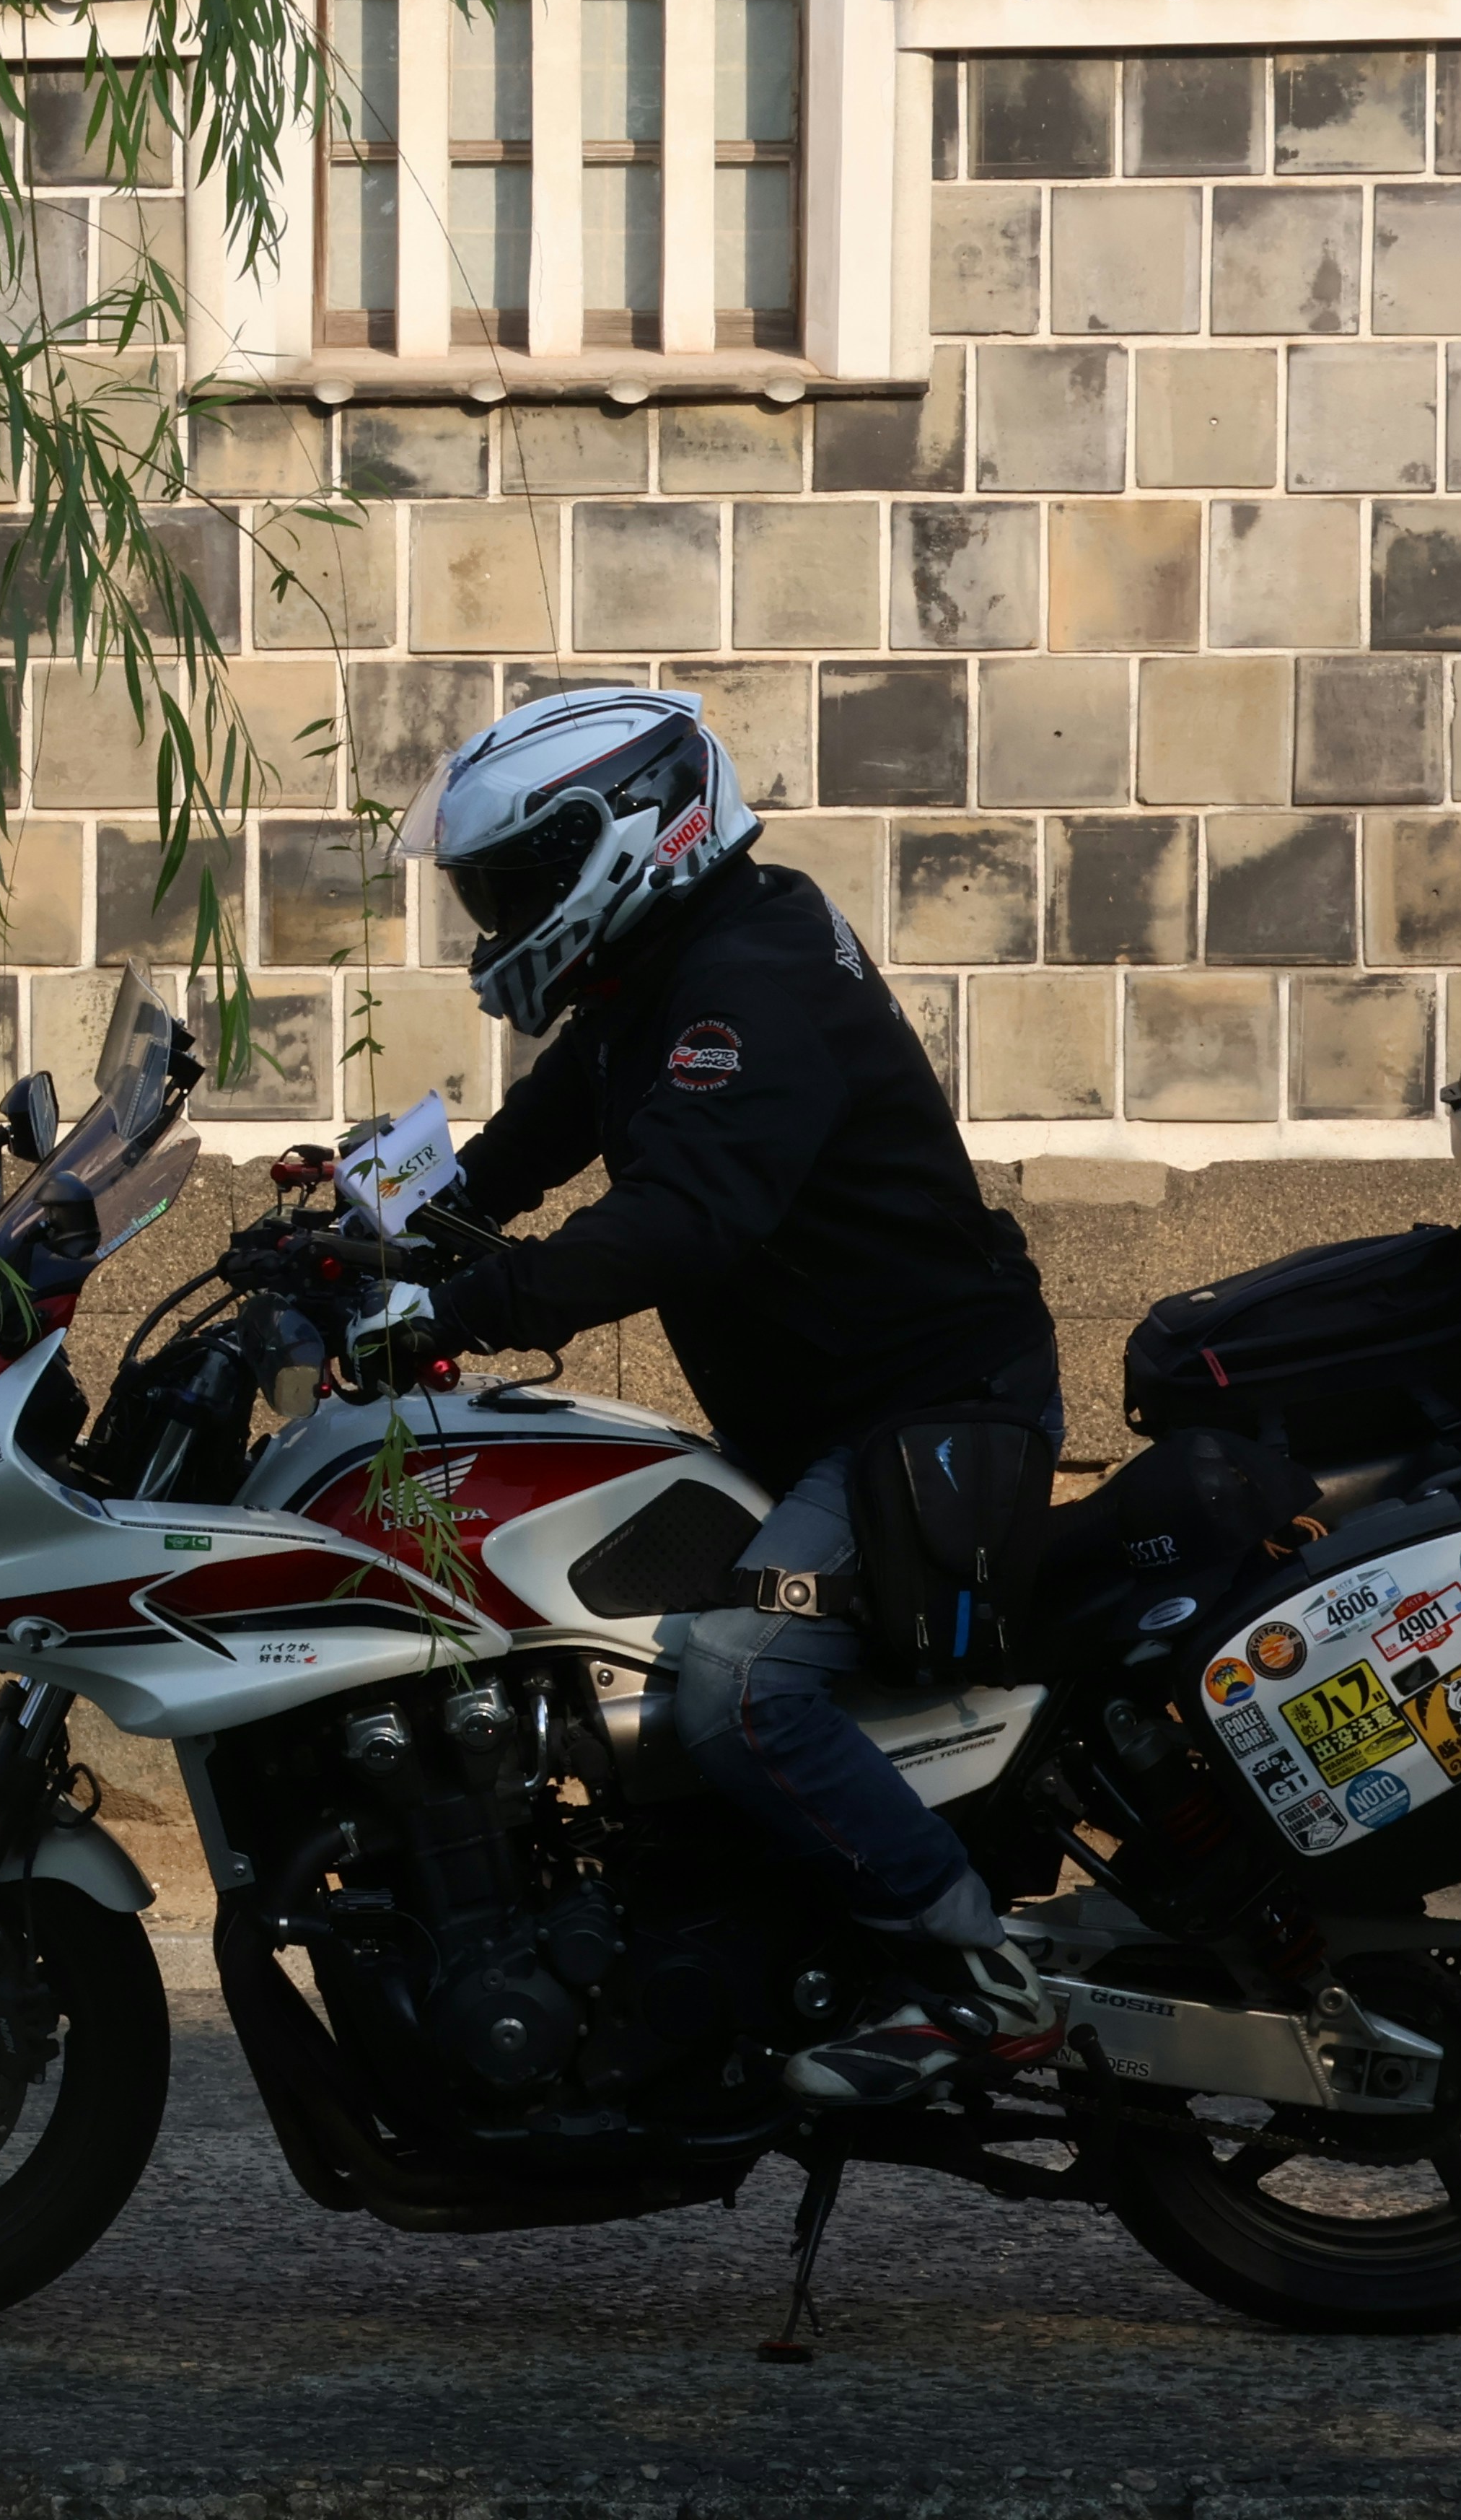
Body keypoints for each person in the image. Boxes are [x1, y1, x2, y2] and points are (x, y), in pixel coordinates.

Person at [393, 686, 1068, 2108]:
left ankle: (980, 1979)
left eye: (511, 884)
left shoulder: (746, 982)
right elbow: (534, 1136)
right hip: (822, 1412)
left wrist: (461, 1308)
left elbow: (683, 1219)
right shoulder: (666, 963)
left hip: (923, 1417)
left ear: (628, 839)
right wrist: (376, 1233)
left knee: (741, 1687)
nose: (495, 920)